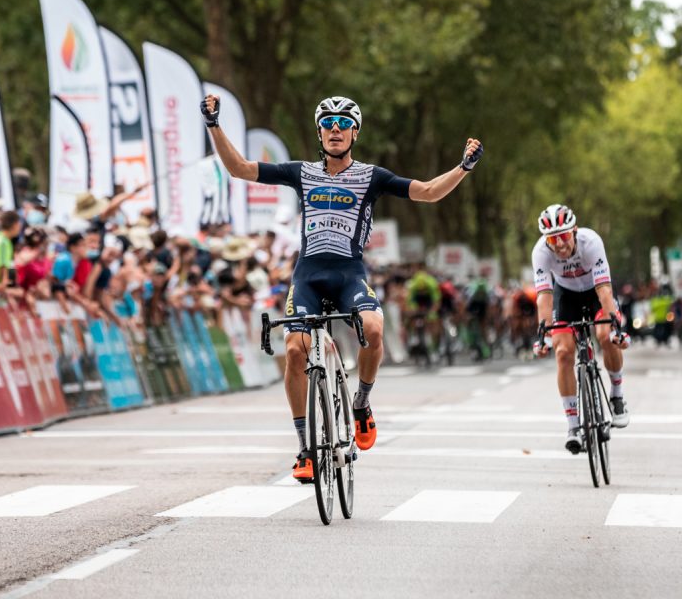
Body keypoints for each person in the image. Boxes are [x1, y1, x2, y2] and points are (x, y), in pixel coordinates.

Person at [203, 92, 483, 482]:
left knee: (373, 329)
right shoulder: (301, 172)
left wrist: (463, 168)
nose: (335, 130)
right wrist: (213, 125)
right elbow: (240, 169)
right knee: (294, 350)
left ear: (355, 133)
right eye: (328, 124)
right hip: (308, 275)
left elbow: (428, 192)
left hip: (350, 272)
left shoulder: (372, 177)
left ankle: (362, 403)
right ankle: (304, 448)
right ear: (319, 132)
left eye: (344, 124)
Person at [531, 203, 630, 454]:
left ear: (574, 231)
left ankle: (617, 395)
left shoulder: (591, 242)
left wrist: (616, 327)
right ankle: (573, 425)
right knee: (563, 351)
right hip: (566, 296)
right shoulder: (540, 252)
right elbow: (544, 296)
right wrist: (542, 334)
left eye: (564, 236)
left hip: (596, 292)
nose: (560, 244)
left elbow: (604, 290)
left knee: (605, 336)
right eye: (553, 239)